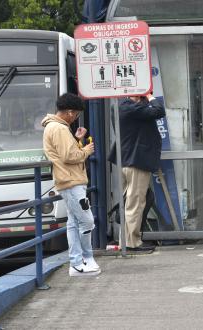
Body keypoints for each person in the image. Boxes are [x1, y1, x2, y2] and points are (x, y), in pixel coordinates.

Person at [41, 93, 99, 277]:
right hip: (71, 181)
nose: (75, 118)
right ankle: (83, 260)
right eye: (75, 115)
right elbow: (69, 156)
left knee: (74, 222)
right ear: (69, 112)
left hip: (67, 180)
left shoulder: (56, 127)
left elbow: (64, 152)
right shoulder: (58, 128)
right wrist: (86, 151)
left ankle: (77, 261)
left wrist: (77, 140)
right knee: (87, 221)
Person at [112, 91, 165, 251]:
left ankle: (126, 241)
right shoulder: (129, 107)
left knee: (130, 202)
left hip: (128, 160)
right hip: (136, 161)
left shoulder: (123, 106)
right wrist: (150, 96)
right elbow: (158, 110)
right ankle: (132, 243)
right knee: (135, 203)